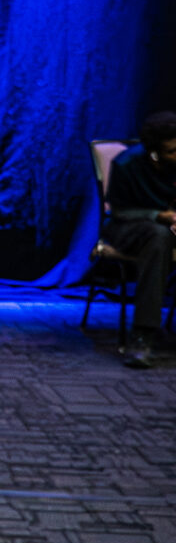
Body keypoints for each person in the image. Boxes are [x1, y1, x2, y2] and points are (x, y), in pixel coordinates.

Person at [103, 110, 176, 368]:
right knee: (158, 237)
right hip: (129, 227)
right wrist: (158, 216)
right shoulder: (127, 165)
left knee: (162, 236)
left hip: (169, 228)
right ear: (154, 153)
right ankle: (142, 335)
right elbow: (119, 211)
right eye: (172, 151)